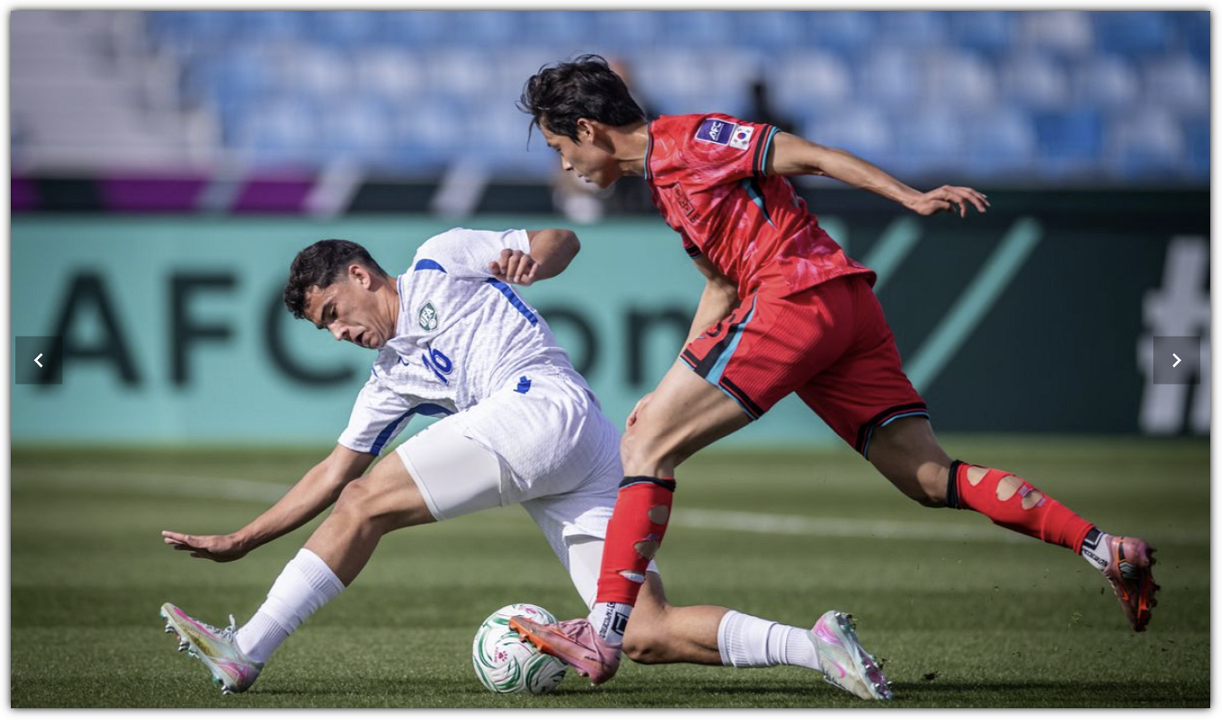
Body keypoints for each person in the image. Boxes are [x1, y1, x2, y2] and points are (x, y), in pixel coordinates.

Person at [509, 54, 1158, 687]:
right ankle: (1105, 548)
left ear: (588, 130)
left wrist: (911, 196)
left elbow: (805, 153)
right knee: (930, 478)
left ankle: (605, 630)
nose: (564, 164)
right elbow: (719, 287)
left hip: (796, 298)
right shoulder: (666, 185)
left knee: (646, 448)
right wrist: (667, 385)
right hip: (844, 308)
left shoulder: (689, 140)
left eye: (559, 147)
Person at [158, 227, 891, 701]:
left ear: (359, 273)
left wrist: (536, 258)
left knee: (364, 504)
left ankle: (247, 650)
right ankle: (818, 648)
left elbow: (562, 237)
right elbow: (329, 470)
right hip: (580, 447)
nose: (340, 332)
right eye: (326, 328)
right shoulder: (390, 379)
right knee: (642, 633)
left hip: (540, 407)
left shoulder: (440, 258)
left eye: (333, 313)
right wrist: (243, 540)